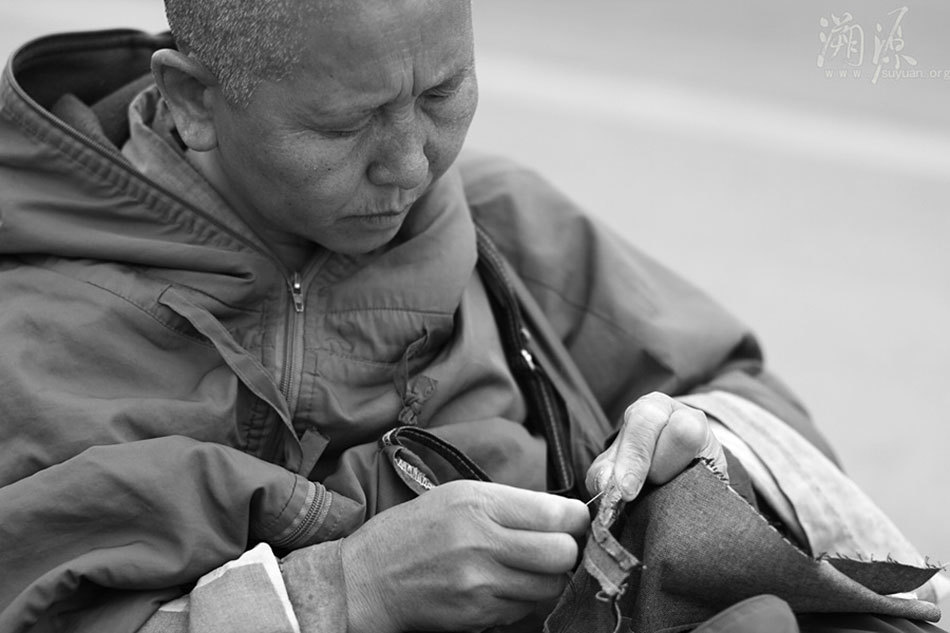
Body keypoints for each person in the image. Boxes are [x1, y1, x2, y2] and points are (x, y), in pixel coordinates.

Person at [0, 1, 944, 632]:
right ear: (193, 103)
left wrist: (710, 451)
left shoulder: (503, 225)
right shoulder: (31, 322)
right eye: (344, 125)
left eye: (443, 94)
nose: (413, 165)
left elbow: (756, 405)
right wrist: (335, 594)